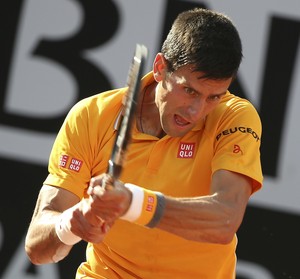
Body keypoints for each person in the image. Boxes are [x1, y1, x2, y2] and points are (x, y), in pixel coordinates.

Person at [25, 7, 263, 279]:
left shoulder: (235, 117)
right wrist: (73, 222)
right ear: (161, 68)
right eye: (189, 90)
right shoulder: (91, 116)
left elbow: (225, 220)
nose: (196, 111)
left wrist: (131, 202)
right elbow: (37, 248)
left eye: (213, 97)